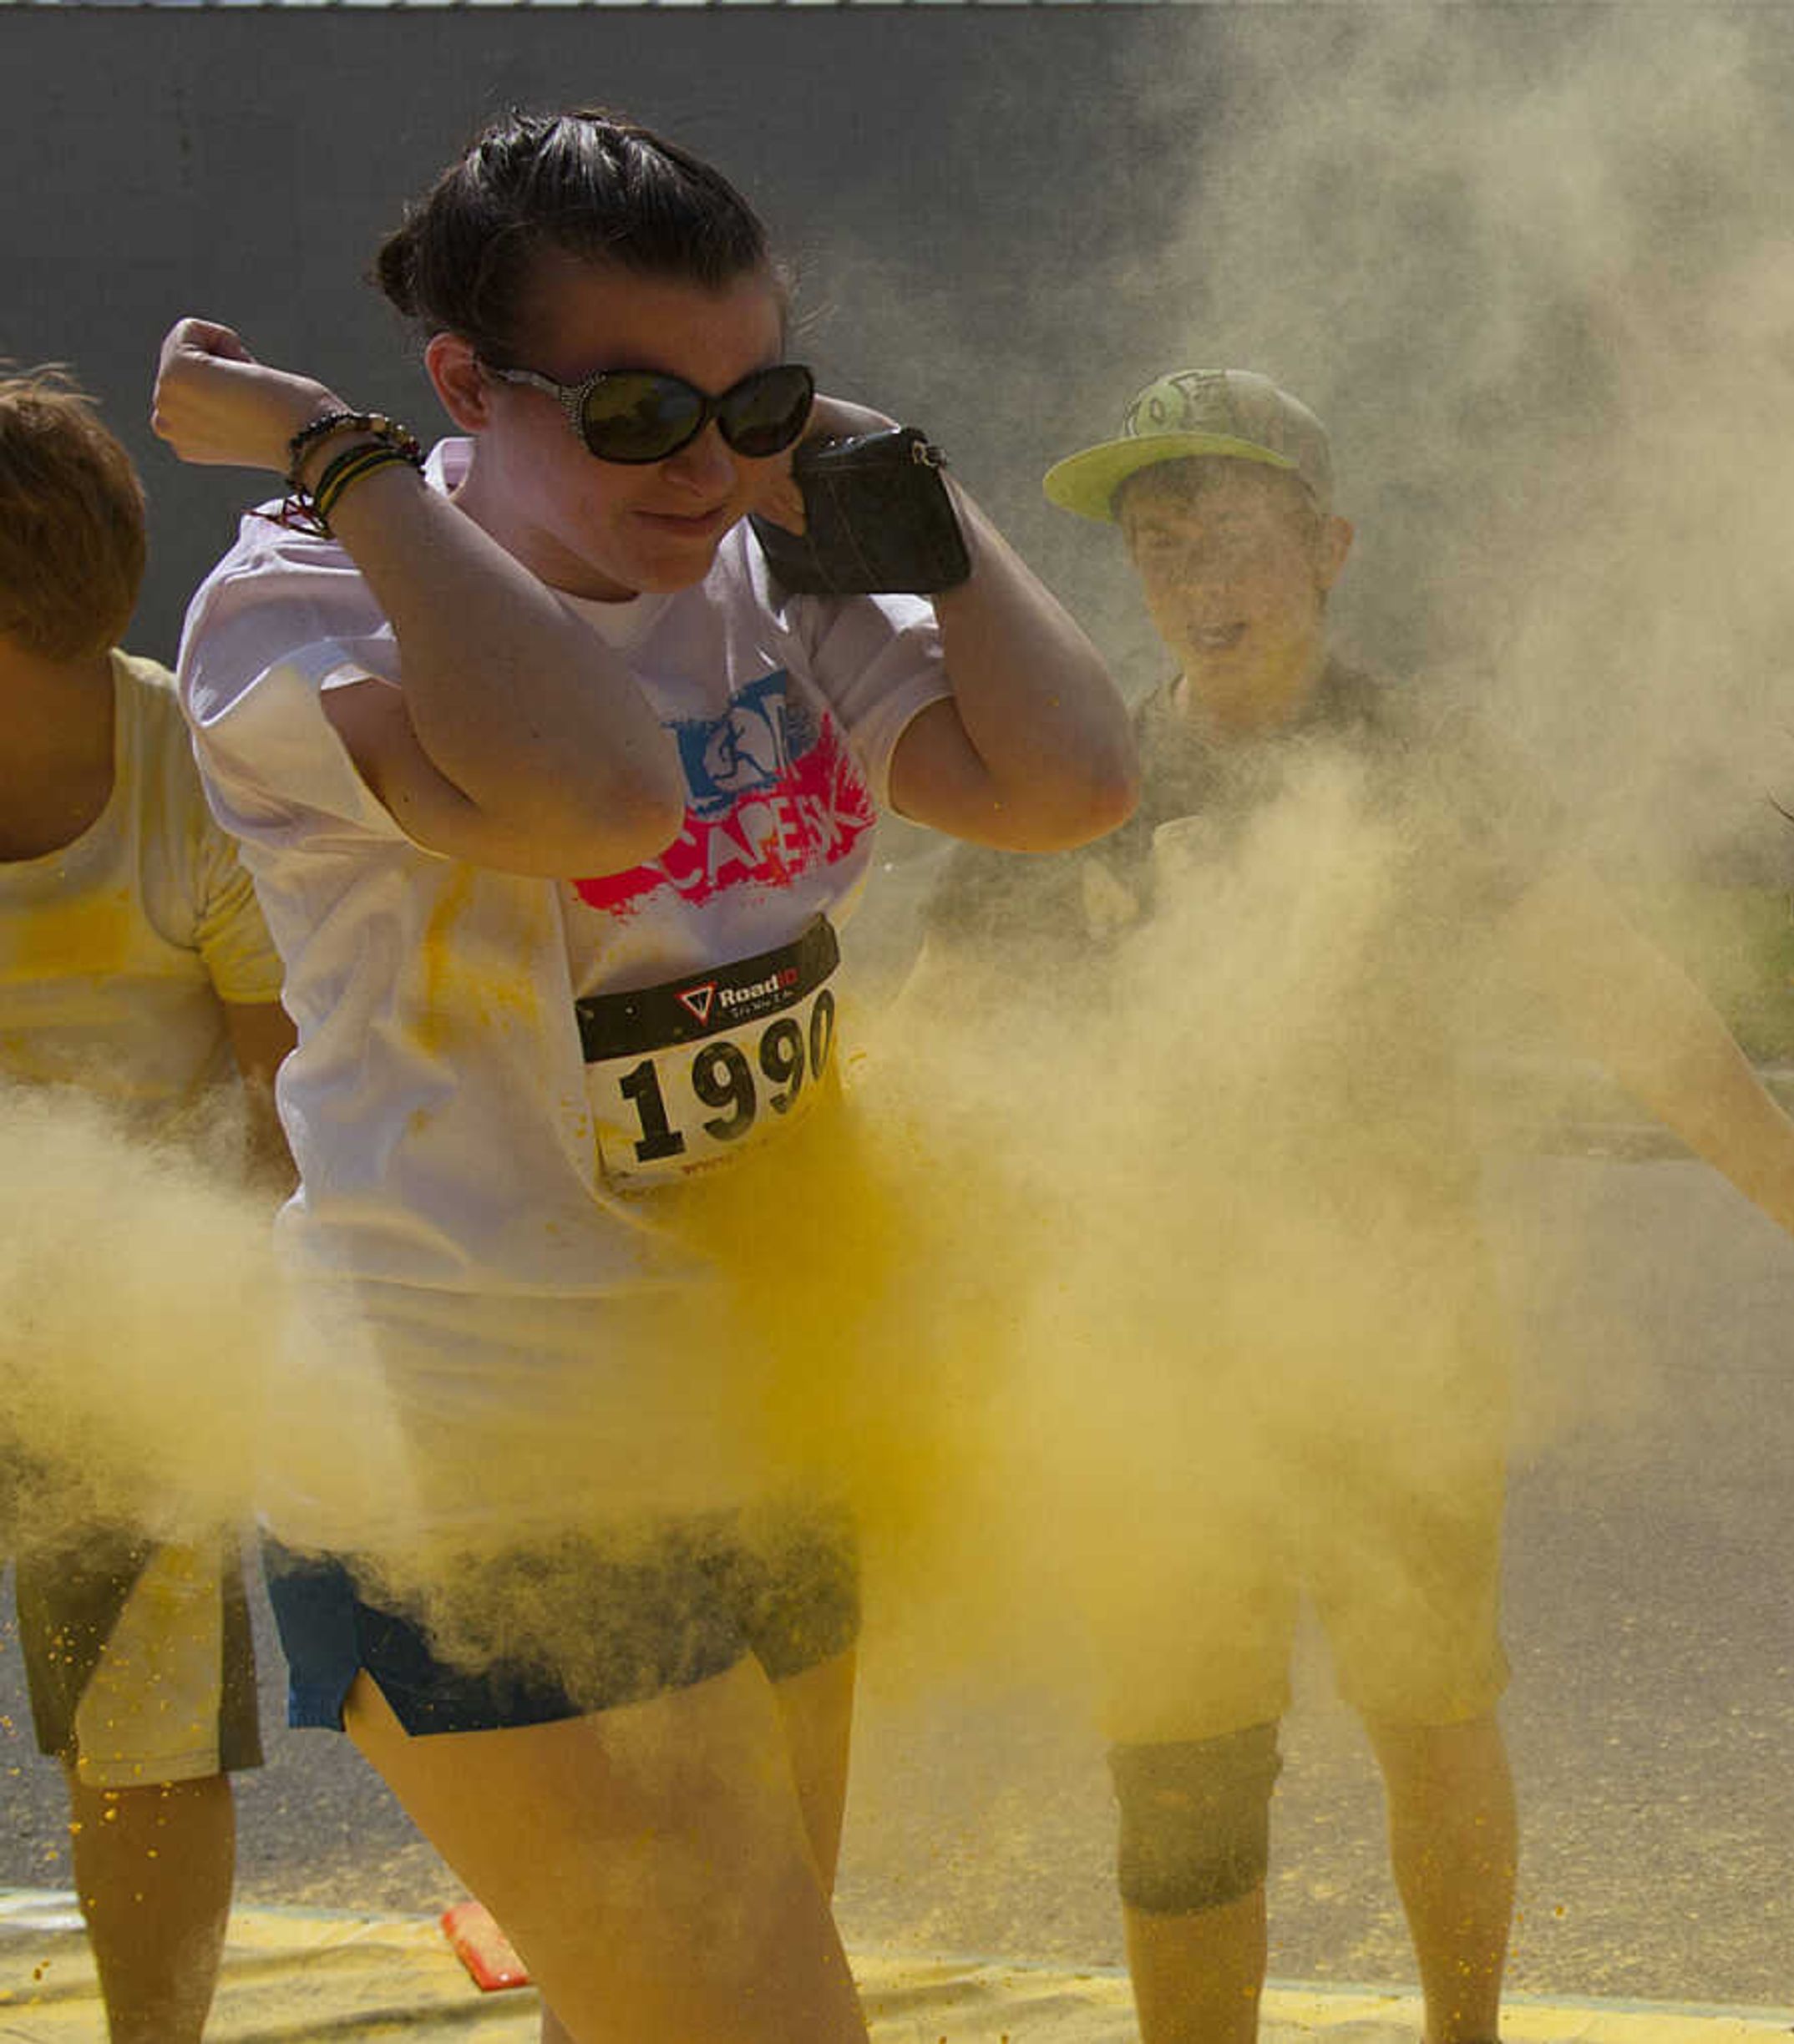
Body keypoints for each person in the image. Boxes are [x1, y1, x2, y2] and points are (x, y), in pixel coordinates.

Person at [153, 109, 1136, 2041]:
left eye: (744, 397)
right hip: (478, 1460)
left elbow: (1066, 782)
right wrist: (337, 459)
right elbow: (597, 797)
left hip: (761, 1420)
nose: (700, 466)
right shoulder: (304, 603)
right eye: (628, 415)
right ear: (463, 384)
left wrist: (868, 457)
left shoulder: (760, 569)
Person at [939, 367, 1794, 2044]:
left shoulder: (1419, 754)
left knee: (1429, 1702)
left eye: (1238, 536)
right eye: (1163, 545)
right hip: (1158, 1347)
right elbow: (941, 1035)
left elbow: (1618, 992)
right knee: (1179, 1756)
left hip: (1395, 1320)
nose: (1200, 580)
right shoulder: (1086, 770)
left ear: (1327, 548)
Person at [0, 362, 291, 2044]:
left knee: (144, 1733)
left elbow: (286, 1118)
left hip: (142, 1320)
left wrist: (197, 1349)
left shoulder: (197, 774)